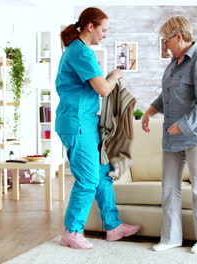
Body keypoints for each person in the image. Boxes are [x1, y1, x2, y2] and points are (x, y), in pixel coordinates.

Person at [56, 7, 141, 250]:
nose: (105, 34)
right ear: (90, 27)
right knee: (88, 179)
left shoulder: (79, 51)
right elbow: (103, 89)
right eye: (103, 29)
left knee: (103, 174)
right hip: (77, 124)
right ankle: (72, 231)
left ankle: (113, 226)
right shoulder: (81, 52)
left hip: (87, 122)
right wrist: (114, 75)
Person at [141, 16, 197, 254]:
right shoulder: (174, 62)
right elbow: (168, 94)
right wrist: (150, 111)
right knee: (169, 187)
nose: (165, 45)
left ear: (179, 37)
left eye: (166, 40)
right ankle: (171, 237)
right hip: (173, 137)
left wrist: (183, 125)